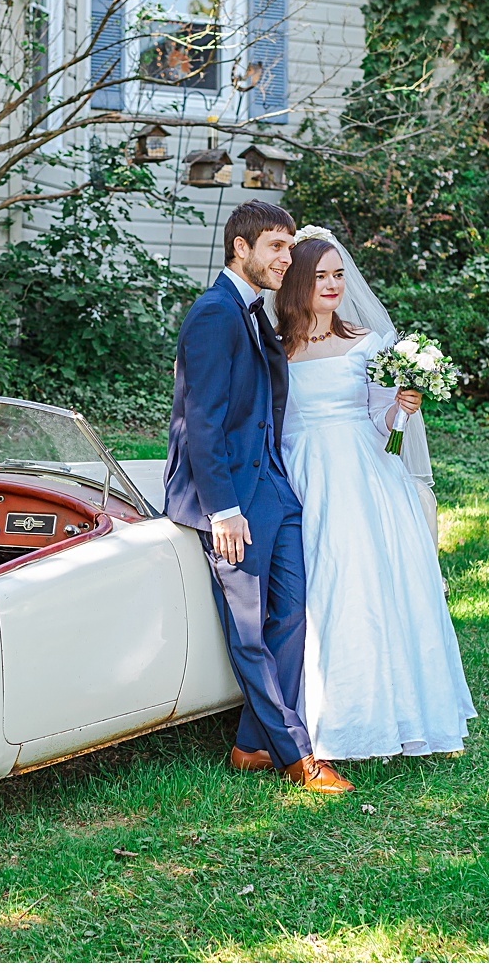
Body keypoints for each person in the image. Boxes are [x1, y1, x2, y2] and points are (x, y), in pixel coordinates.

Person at [164, 200, 354, 794]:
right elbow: (202, 422)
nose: (287, 257)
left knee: (291, 616)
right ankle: (298, 756)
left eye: (290, 245)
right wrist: (222, 509)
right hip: (233, 503)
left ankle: (251, 744)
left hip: (274, 488)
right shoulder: (212, 315)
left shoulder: (256, 311)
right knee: (249, 633)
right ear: (239, 249)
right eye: (276, 246)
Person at [266, 226, 476, 762]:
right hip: (300, 473)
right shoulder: (274, 348)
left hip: (361, 477)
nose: (333, 285)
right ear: (295, 282)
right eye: (321, 276)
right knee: (313, 593)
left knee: (363, 586)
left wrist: (402, 407)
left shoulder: (367, 344)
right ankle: (316, 712)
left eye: (339, 274)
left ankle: (385, 715)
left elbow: (380, 425)